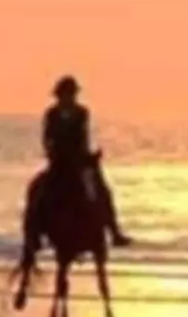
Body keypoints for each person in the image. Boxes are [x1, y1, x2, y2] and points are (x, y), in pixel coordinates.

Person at [34, 75, 132, 247]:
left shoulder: (82, 113)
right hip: (58, 159)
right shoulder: (52, 114)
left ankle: (114, 231)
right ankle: (35, 232)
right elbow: (47, 137)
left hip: (78, 159)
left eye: (70, 94)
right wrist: (51, 152)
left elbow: (83, 137)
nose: (68, 97)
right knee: (39, 191)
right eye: (65, 94)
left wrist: (85, 156)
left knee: (101, 189)